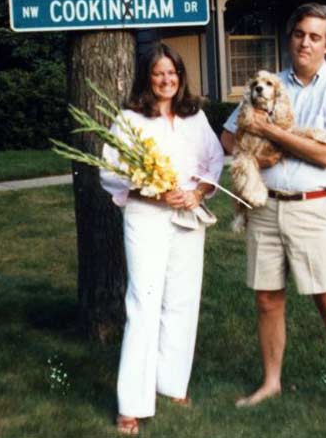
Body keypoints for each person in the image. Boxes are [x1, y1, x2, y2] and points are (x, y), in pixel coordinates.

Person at [221, 3, 326, 435]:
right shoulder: (264, 83)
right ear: (291, 37)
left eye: (315, 36)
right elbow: (230, 137)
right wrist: (247, 152)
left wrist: (269, 134)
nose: (305, 42)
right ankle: (271, 383)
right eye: (300, 33)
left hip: (312, 207)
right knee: (267, 299)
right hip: (263, 206)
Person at [100, 43, 224, 435]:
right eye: (158, 73)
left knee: (183, 300)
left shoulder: (194, 116)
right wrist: (152, 192)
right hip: (146, 218)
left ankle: (172, 383)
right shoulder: (129, 120)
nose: (166, 80)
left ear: (181, 77)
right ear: (146, 78)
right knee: (144, 303)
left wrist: (197, 193)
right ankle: (132, 404)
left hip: (187, 215)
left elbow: (214, 161)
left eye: (172, 73)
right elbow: (110, 172)